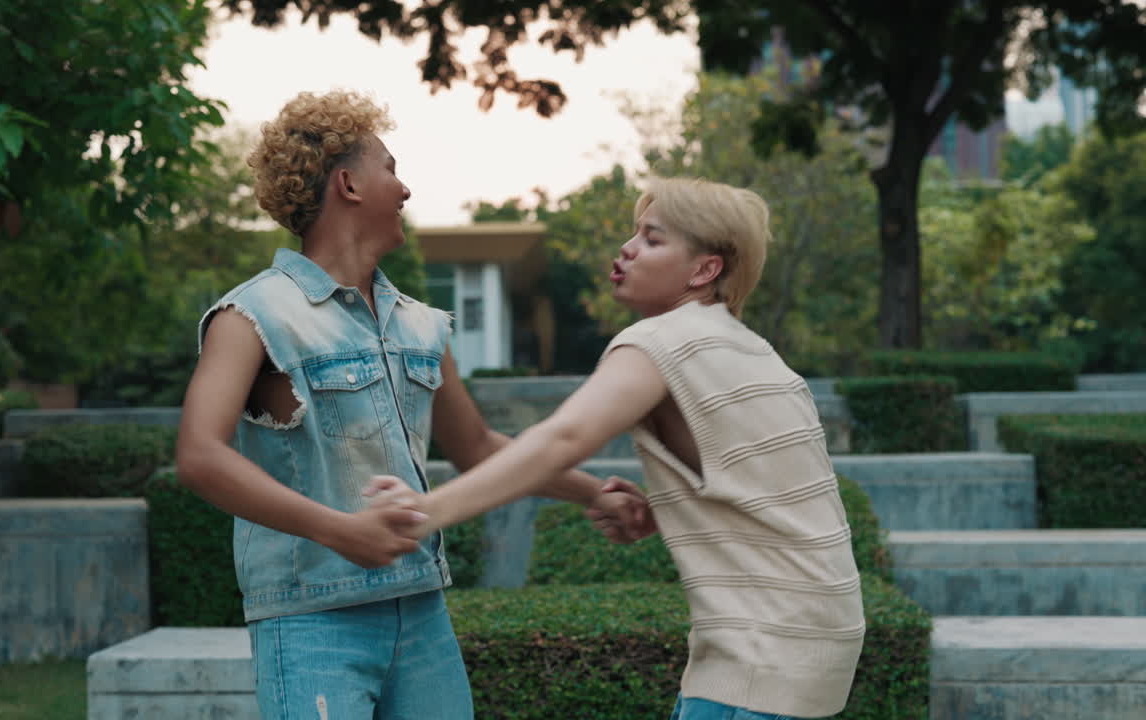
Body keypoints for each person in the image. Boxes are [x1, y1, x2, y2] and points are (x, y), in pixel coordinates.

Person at [174, 89, 647, 720]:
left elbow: (478, 448)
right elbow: (199, 457)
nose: (404, 189)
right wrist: (342, 532)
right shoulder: (253, 314)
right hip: (312, 618)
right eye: (390, 169)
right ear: (347, 184)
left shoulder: (422, 325)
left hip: (422, 611)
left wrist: (594, 493)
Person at [367, 176, 865, 719]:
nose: (627, 249)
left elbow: (563, 438)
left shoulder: (659, 341)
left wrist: (421, 512)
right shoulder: (757, 354)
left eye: (653, 239)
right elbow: (760, 494)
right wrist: (647, 503)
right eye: (635, 234)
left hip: (757, 660)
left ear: (705, 269)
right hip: (819, 646)